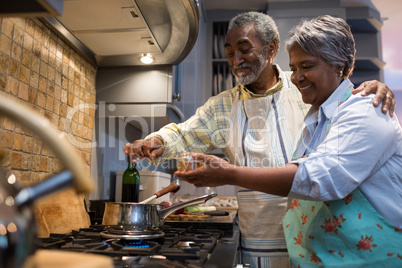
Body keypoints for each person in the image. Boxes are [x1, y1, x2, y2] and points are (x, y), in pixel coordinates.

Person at [123, 12, 396, 267]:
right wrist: (157, 140)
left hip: (326, 241)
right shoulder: (224, 106)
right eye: (229, 53)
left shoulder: (305, 92)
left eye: (244, 49)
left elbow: (331, 156)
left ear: (271, 49)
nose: (235, 60)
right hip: (261, 238)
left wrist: (370, 88)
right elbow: (184, 133)